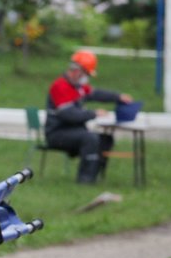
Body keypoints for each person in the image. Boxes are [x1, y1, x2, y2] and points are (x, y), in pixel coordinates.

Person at [46, 50, 132, 184]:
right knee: (90, 138)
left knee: (106, 139)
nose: (87, 78)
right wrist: (93, 114)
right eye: (86, 74)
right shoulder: (60, 86)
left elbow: (96, 93)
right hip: (57, 133)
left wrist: (118, 97)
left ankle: (95, 177)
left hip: (73, 131)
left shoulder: (78, 87)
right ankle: (85, 181)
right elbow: (68, 115)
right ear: (77, 71)